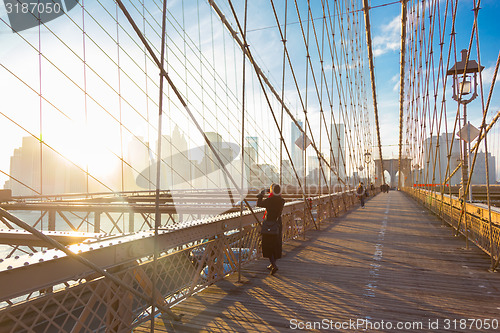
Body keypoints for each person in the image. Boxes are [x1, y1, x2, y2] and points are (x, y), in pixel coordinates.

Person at [257, 183, 285, 275]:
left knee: (268, 244)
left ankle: (274, 265)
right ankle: (272, 263)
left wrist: (261, 194)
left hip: (269, 224)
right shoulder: (282, 201)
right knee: (275, 244)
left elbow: (259, 204)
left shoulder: (269, 200)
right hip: (277, 224)